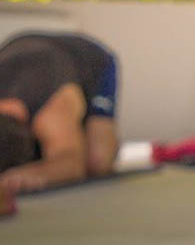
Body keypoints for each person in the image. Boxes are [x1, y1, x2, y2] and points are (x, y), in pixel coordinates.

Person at [0, 31, 120, 194]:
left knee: (97, 161)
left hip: (88, 57)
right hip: (22, 50)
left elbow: (72, 164)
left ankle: (75, 134)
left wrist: (26, 176)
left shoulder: (50, 111)